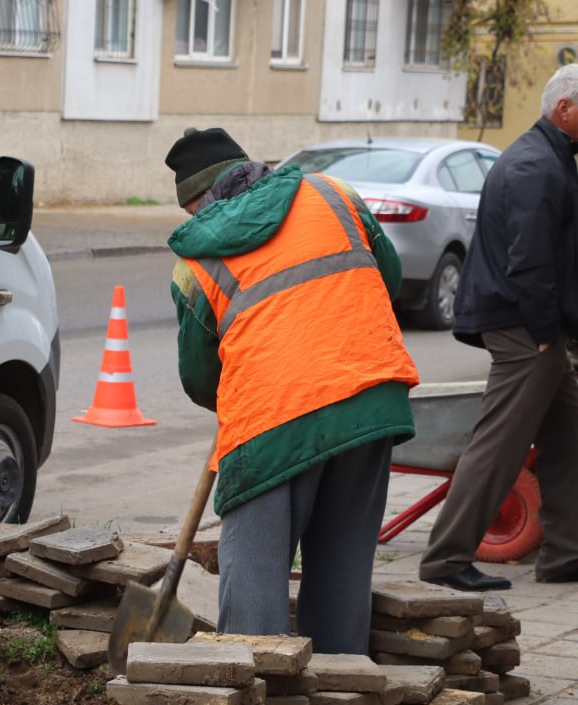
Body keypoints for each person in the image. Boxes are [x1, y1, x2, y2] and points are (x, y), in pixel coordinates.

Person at [165, 127, 419, 654]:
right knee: (343, 571)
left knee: (253, 593)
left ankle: (255, 688)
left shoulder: (193, 265)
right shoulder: (334, 195)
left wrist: (250, 388)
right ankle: (342, 692)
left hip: (271, 424)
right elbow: (387, 279)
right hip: (369, 397)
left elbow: (199, 377)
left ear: (197, 202)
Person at [419, 64, 578, 592]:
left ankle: (566, 555)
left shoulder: (549, 158)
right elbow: (529, 259)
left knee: (569, 435)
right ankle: (445, 560)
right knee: (500, 445)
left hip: (535, 325)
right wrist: (544, 331)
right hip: (524, 326)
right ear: (564, 109)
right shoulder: (537, 166)